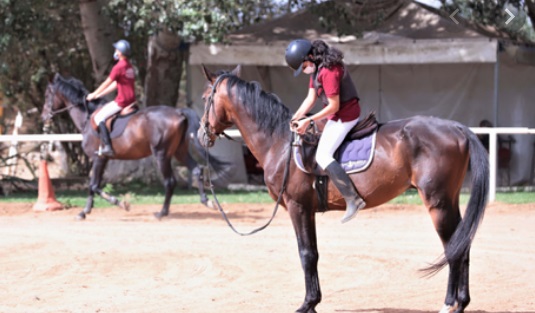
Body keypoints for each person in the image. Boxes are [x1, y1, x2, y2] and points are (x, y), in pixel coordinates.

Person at [286, 39, 366, 223]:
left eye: (304, 65)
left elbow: (334, 106)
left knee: (323, 156)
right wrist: (296, 117)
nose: (305, 69)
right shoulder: (316, 69)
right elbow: (310, 98)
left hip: (346, 116)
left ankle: (353, 198)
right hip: (335, 116)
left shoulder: (329, 70)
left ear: (311, 57)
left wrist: (308, 120)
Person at [86, 39, 136, 157]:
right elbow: (116, 85)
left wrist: (93, 94)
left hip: (122, 102)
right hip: (132, 100)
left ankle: (108, 147)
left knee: (98, 117)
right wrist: (99, 95)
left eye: (116, 49)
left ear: (119, 52)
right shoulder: (129, 66)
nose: (115, 51)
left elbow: (107, 82)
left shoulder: (118, 67)